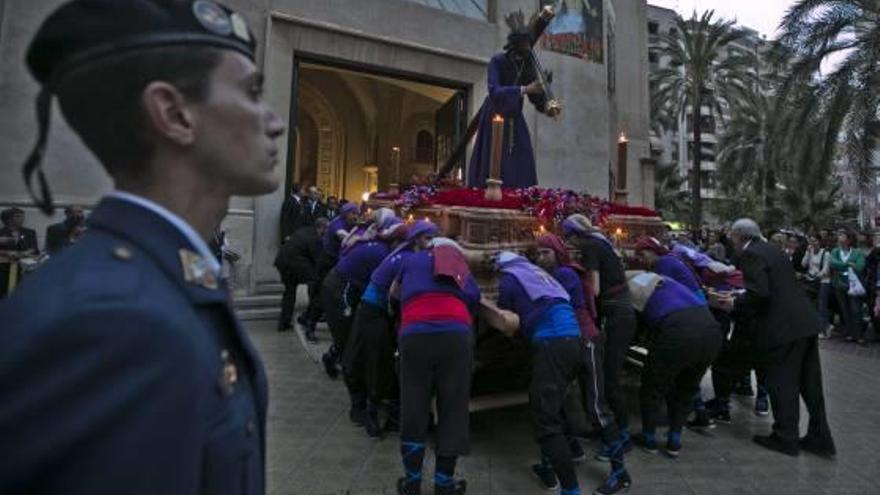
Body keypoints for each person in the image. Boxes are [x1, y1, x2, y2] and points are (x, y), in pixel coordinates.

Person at [0, 1, 284, 493]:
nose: (275, 122)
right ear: (174, 114)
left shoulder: (161, 283)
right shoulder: (114, 323)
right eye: (253, 92)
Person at [493, 252, 630, 495]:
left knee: (551, 418)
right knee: (555, 407)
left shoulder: (513, 279)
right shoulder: (543, 276)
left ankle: (574, 488)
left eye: (545, 251)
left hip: (561, 342)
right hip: (575, 340)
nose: (540, 255)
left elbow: (506, 313)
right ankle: (561, 460)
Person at [712, 219, 835, 458]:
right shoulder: (773, 250)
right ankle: (820, 438)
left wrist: (733, 303)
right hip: (804, 323)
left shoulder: (751, 255)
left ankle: (785, 436)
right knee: (810, 385)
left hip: (782, 329)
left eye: (732, 238)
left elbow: (760, 293)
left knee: (783, 382)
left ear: (738, 237)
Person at [533, 235, 629, 495]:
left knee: (596, 409)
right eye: (537, 254)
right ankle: (562, 455)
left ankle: (622, 475)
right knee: (552, 403)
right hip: (571, 343)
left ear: (558, 254)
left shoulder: (564, 274)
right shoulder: (561, 273)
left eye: (545, 253)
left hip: (586, 341)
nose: (540, 258)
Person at [394, 238, 479, 495]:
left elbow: (394, 294)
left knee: (413, 404)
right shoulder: (457, 262)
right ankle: (443, 483)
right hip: (455, 336)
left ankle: (412, 480)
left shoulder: (410, 260)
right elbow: (473, 297)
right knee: (453, 407)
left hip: (414, 334)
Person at [348, 220, 439, 439]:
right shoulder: (408, 258)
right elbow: (395, 293)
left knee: (381, 362)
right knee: (376, 362)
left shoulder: (406, 254)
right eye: (428, 238)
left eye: (433, 238)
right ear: (417, 239)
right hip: (373, 311)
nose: (431, 243)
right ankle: (372, 416)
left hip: (375, 311)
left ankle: (386, 413)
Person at [562, 214, 636, 455]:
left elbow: (593, 288)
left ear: (574, 234)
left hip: (616, 316)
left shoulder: (591, 246)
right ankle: (607, 428)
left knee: (609, 377)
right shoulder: (601, 242)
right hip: (620, 313)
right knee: (604, 376)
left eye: (569, 238)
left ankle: (621, 436)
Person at [626, 272, 721, 458]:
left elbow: (635, 325)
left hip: (677, 333)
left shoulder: (632, 287)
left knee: (653, 386)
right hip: (711, 332)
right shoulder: (667, 282)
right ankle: (674, 439)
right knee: (687, 387)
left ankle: (649, 437)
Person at [328, 209, 405, 425]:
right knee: (351, 348)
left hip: (354, 293)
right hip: (340, 291)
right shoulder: (383, 254)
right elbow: (390, 290)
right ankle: (358, 405)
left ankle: (368, 401)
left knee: (360, 347)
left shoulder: (379, 246)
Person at [466, 8, 558, 189]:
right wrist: (523, 89)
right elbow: (494, 90)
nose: (527, 50)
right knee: (494, 159)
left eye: (528, 46)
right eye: (524, 46)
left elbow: (534, 95)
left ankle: (521, 193)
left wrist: (546, 105)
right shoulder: (498, 61)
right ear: (514, 45)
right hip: (495, 114)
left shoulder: (526, 63)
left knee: (521, 157)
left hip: (515, 116)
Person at [274, 217, 328, 338]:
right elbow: (318, 260)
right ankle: (308, 318)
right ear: (322, 228)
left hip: (282, 261)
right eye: (327, 229)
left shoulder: (305, 230)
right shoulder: (315, 239)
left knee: (289, 292)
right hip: (295, 264)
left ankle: (284, 323)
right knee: (315, 284)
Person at [634, 236, 704, 299]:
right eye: (638, 257)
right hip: (692, 298)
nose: (641, 260)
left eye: (642, 255)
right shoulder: (668, 258)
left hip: (693, 300)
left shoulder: (665, 262)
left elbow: (662, 290)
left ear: (652, 251)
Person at [829, 231, 866, 344]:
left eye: (842, 235)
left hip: (853, 285)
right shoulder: (835, 251)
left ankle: (858, 335)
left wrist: (842, 266)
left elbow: (860, 267)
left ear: (849, 239)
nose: (839, 237)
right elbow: (832, 263)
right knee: (844, 310)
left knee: (855, 310)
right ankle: (849, 333)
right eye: (839, 235)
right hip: (839, 285)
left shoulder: (858, 252)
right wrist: (848, 265)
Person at [802, 235, 833, 338]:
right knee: (813, 305)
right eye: (811, 242)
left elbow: (826, 269)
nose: (812, 244)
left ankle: (824, 329)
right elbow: (804, 264)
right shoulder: (810, 252)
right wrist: (807, 252)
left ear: (819, 242)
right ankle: (821, 326)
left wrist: (816, 276)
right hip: (811, 281)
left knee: (822, 305)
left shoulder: (826, 253)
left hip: (823, 282)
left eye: (814, 241)